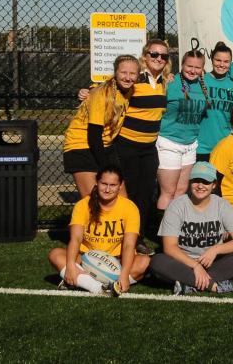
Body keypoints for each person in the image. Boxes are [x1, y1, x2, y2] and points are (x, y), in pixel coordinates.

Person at [149, 162, 233, 295]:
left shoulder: (222, 205)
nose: (200, 186)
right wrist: (195, 266)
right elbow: (170, 247)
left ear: (214, 185)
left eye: (205, 182)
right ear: (190, 182)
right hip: (183, 262)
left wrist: (216, 249)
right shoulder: (176, 206)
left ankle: (189, 285)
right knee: (157, 262)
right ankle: (216, 286)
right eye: (196, 181)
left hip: (213, 262)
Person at [48, 165, 149, 295]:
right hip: (87, 259)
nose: (107, 189)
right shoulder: (83, 205)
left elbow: (129, 245)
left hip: (117, 261)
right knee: (55, 254)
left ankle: (81, 282)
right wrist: (71, 264)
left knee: (144, 262)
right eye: (104, 184)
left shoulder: (130, 208)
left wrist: (124, 274)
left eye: (112, 185)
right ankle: (99, 288)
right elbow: (76, 239)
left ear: (120, 185)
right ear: (97, 182)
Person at [113, 39, 170, 251]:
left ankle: (138, 237)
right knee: (128, 194)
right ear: (145, 56)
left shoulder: (165, 82)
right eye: (154, 54)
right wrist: (87, 91)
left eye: (163, 56)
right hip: (127, 146)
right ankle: (121, 237)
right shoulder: (135, 79)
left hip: (148, 149)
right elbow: (110, 87)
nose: (158, 59)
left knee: (146, 195)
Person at [63, 55, 137, 198]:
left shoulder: (129, 90)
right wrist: (106, 168)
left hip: (105, 145)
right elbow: (94, 136)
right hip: (81, 146)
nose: (128, 78)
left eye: (132, 73)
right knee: (94, 200)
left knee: (121, 199)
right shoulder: (101, 94)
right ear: (115, 73)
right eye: (123, 73)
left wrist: (169, 77)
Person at [156, 50, 209, 212]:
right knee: (168, 192)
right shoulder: (169, 82)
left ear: (202, 69)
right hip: (169, 142)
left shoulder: (203, 84)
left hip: (190, 144)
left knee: (181, 191)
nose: (193, 70)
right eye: (189, 66)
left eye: (197, 68)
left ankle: (176, 231)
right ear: (182, 65)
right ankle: (163, 235)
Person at [196, 42, 233, 163]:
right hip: (202, 147)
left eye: (226, 62)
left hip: (224, 145)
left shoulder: (232, 85)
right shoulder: (201, 79)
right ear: (212, 59)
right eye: (218, 60)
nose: (221, 64)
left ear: (230, 63)